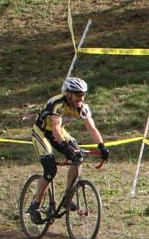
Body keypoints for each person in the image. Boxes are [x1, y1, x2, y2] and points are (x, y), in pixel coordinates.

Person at [28, 77, 109, 225]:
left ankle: (67, 198)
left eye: (83, 94)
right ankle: (35, 205)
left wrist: (102, 146)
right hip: (42, 132)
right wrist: (65, 146)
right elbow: (56, 128)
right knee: (50, 169)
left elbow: (92, 128)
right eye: (78, 94)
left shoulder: (82, 107)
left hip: (59, 133)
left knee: (78, 157)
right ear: (68, 94)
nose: (81, 98)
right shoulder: (57, 103)